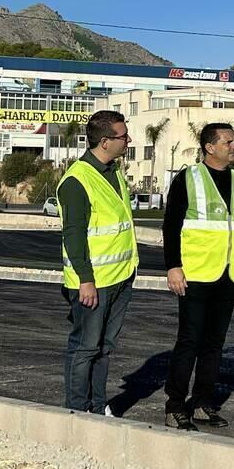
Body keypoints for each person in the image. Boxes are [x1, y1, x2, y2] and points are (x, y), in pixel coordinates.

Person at [162, 123, 234, 430]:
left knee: (214, 344)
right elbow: (171, 225)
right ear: (210, 147)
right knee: (189, 341)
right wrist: (173, 266)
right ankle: (175, 406)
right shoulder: (189, 178)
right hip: (194, 274)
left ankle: (204, 402)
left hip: (228, 274)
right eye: (229, 142)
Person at [57, 109, 139, 416]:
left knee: (105, 348)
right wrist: (85, 280)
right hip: (93, 283)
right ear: (105, 141)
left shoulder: (113, 171)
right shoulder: (77, 180)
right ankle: (77, 411)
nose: (128, 140)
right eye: (123, 136)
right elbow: (74, 235)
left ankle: (97, 404)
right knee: (85, 348)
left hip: (120, 277)